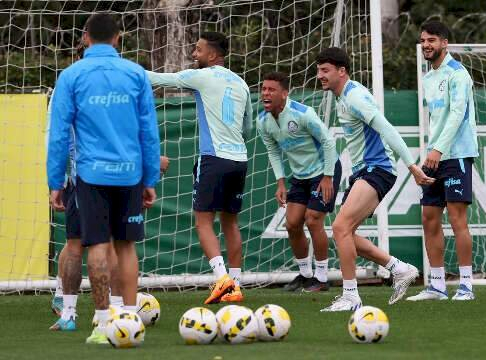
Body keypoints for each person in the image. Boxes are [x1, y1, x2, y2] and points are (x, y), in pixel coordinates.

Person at [47, 13, 160, 344]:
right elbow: (149, 132)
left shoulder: (71, 76)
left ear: (85, 38)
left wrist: (56, 181)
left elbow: (58, 135)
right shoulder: (136, 73)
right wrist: (150, 177)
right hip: (130, 172)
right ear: (118, 38)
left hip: (90, 174)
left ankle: (102, 322)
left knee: (97, 244)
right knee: (126, 246)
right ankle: (127, 318)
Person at [315, 47, 433, 312]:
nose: (320, 75)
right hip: (365, 171)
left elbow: (387, 128)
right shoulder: (341, 96)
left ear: (341, 71)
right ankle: (399, 268)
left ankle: (351, 296)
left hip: (377, 168)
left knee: (340, 228)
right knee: (346, 233)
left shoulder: (355, 96)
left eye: (325, 70)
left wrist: (412, 166)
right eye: (319, 70)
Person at [146, 32, 252, 304]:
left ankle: (222, 280)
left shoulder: (202, 77)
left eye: (198, 49)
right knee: (230, 222)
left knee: (203, 221)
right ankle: (236, 284)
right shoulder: (242, 84)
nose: (194, 54)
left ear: (213, 55)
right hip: (240, 159)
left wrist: (119, 69)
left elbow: (157, 79)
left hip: (214, 158)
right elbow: (248, 127)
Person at [407, 21, 479, 302]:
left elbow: (458, 115)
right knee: (428, 217)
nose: (426, 45)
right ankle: (436, 285)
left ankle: (466, 286)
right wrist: (432, 150)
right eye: (423, 40)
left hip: (456, 154)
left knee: (457, 218)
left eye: (432, 40)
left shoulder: (458, 74)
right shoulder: (428, 77)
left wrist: (438, 149)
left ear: (445, 43)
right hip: (434, 155)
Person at [257, 72, 340, 292]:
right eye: (263, 89)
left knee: (313, 221)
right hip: (300, 176)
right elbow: (273, 151)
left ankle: (322, 278)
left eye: (271, 89)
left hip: (324, 171)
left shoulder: (303, 114)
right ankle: (305, 275)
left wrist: (328, 177)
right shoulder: (263, 121)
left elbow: (329, 142)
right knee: (292, 224)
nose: (265, 93)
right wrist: (280, 183)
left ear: (284, 94)